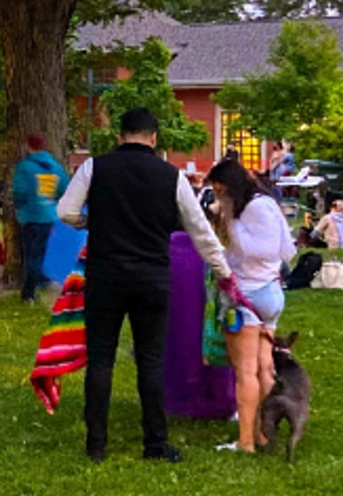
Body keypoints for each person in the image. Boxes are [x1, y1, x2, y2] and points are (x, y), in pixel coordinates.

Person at [57, 108, 233, 463]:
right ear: (154, 139)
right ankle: (155, 443)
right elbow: (200, 230)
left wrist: (91, 221)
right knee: (150, 361)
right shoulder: (172, 178)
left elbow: (65, 211)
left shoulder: (94, 167)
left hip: (106, 275)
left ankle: (96, 444)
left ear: (120, 136)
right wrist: (223, 271)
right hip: (152, 278)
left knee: (101, 360)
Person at [204, 158, 295, 453]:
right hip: (269, 293)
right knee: (264, 368)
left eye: (220, 190)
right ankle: (265, 434)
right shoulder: (266, 204)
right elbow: (282, 250)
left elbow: (259, 249)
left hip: (247, 295)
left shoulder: (251, 209)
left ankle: (246, 441)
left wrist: (229, 221)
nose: (219, 197)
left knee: (245, 372)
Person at [11, 133, 69, 303]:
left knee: (31, 255)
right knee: (44, 253)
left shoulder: (25, 167)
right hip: (50, 216)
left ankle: (31, 291)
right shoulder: (55, 167)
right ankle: (44, 283)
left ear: (28, 146)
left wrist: (20, 206)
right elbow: (63, 188)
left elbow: (19, 191)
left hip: (32, 215)